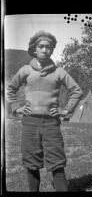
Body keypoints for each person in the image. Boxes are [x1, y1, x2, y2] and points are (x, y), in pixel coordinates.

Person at [6, 30, 83, 192]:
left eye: (48, 47)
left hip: (51, 125)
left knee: (57, 162)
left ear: (52, 50)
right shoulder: (25, 70)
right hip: (30, 124)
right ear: (34, 49)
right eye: (40, 46)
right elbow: (10, 89)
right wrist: (16, 107)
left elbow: (77, 91)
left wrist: (66, 110)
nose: (44, 49)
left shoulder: (59, 72)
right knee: (31, 163)